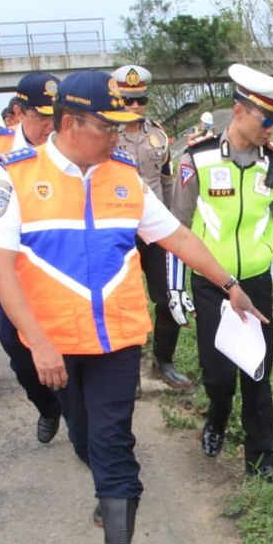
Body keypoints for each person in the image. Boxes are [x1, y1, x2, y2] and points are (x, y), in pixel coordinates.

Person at [0, 69, 266, 544]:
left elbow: (178, 236)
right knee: (85, 435)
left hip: (114, 339)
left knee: (114, 438)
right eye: (106, 127)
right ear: (69, 123)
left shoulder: (123, 178)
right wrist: (38, 343)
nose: (117, 138)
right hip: (53, 343)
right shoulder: (16, 177)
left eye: (121, 127)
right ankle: (103, 484)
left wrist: (229, 284)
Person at [169, 63, 273, 481]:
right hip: (211, 284)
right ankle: (216, 418)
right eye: (266, 119)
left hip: (255, 283)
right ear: (239, 110)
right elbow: (176, 226)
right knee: (218, 376)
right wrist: (175, 286)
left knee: (258, 372)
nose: (272, 128)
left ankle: (260, 459)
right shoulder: (195, 158)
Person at [0, 72, 63, 444]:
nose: (50, 126)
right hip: (14, 276)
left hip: (58, 270)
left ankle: (81, 418)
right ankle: (48, 406)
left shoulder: (66, 149)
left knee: (71, 347)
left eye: (57, 116)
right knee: (15, 345)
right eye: (41, 117)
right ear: (18, 112)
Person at [112, 63, 192, 391]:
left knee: (167, 294)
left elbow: (168, 181)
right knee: (123, 301)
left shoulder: (159, 136)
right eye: (128, 100)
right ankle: (125, 371)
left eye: (140, 100)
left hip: (155, 228)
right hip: (119, 230)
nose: (134, 107)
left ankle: (164, 361)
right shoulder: (105, 136)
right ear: (117, 100)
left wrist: (174, 225)